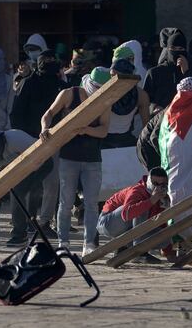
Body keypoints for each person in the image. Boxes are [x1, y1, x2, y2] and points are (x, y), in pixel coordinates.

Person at [138, 77, 192, 242]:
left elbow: (154, 138)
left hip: (170, 161)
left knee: (174, 194)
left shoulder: (169, 109)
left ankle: (177, 240)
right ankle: (190, 237)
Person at [41, 68, 111, 256]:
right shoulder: (68, 94)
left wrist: (85, 130)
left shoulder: (104, 101)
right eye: (95, 87)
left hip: (92, 159)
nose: (96, 91)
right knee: (66, 201)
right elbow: (48, 113)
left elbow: (104, 130)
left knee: (91, 203)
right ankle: (63, 242)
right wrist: (45, 128)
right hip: (68, 157)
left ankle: (89, 243)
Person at [11, 50, 69, 237]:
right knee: (29, 183)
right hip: (29, 141)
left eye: (53, 60)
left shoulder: (61, 86)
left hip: (54, 140)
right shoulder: (28, 83)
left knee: (51, 183)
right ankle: (28, 220)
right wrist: (22, 139)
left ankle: (44, 222)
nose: (50, 64)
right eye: (46, 61)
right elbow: (16, 113)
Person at [0, 122, 51, 245]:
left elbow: (41, 151)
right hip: (17, 173)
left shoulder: (14, 138)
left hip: (40, 164)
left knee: (18, 192)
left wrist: (24, 173)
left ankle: (20, 234)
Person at [97, 167, 175, 263]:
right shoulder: (137, 191)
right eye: (156, 184)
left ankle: (124, 248)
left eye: (163, 185)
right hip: (107, 222)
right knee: (140, 208)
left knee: (165, 237)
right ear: (149, 182)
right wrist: (151, 200)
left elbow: (161, 223)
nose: (159, 188)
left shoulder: (163, 198)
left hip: (128, 226)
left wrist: (169, 254)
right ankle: (138, 252)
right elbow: (126, 214)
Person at [144, 28, 192, 114]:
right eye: (173, 48)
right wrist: (154, 107)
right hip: (160, 120)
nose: (177, 52)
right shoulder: (155, 72)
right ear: (167, 50)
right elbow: (145, 101)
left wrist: (186, 73)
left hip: (184, 120)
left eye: (180, 49)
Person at [105, 58, 150, 147]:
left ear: (128, 77)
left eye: (117, 76)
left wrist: (144, 143)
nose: (113, 79)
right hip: (104, 139)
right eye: (111, 75)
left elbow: (146, 125)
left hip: (126, 139)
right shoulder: (103, 92)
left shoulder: (141, 95)